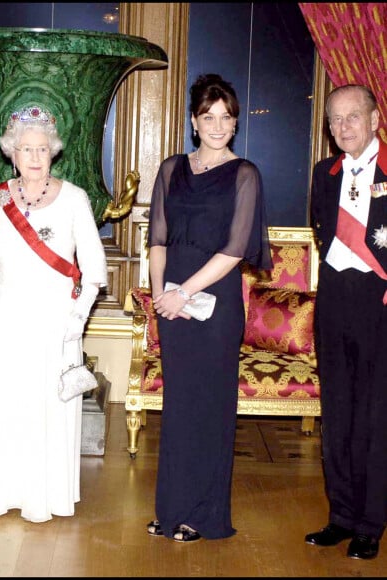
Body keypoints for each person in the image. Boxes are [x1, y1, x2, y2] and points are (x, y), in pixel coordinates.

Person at [0, 105, 108, 522]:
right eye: (27, 149)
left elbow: (93, 270)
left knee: (46, 404)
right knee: (5, 402)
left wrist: (77, 319)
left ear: (53, 151)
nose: (35, 157)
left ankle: (43, 496)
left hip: (55, 318)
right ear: (12, 152)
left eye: (43, 148)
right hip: (4, 313)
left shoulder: (75, 198)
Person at [146, 74, 272, 542]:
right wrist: (163, 295)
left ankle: (203, 515)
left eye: (226, 117)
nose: (217, 125)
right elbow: (157, 237)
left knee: (210, 408)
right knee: (178, 407)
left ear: (235, 122)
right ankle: (170, 508)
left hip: (214, 306)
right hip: (172, 303)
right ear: (194, 122)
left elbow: (236, 250)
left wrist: (184, 292)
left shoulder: (245, 174)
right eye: (208, 117)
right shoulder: (171, 168)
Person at [305, 84, 387, 560]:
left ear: (374, 119)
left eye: (351, 117)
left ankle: (370, 523)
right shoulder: (325, 172)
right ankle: (340, 516)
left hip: (379, 301)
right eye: (334, 120)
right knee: (337, 412)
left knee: (374, 416)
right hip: (335, 299)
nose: (342, 128)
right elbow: (324, 234)